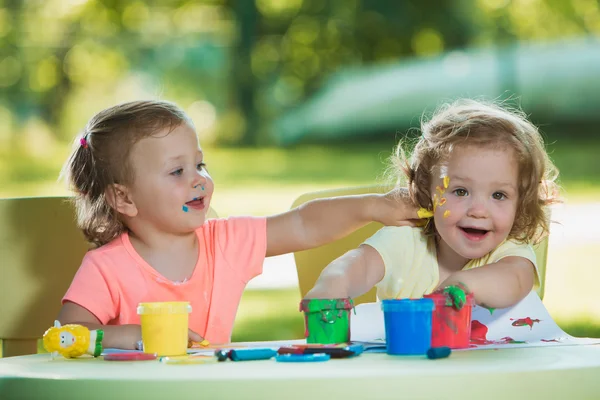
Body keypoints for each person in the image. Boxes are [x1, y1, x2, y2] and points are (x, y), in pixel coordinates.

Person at [57, 100, 421, 349]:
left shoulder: (224, 243)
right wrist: (134, 335)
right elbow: (66, 335)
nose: (198, 179)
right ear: (125, 199)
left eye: (200, 165)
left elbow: (304, 224)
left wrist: (374, 206)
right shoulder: (105, 268)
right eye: (177, 171)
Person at [305, 99, 560, 310]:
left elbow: (514, 281)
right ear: (427, 191)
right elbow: (359, 264)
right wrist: (334, 284)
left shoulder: (510, 251)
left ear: (522, 202)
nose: (479, 211)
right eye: (460, 191)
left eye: (499, 195)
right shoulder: (407, 240)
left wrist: (462, 286)